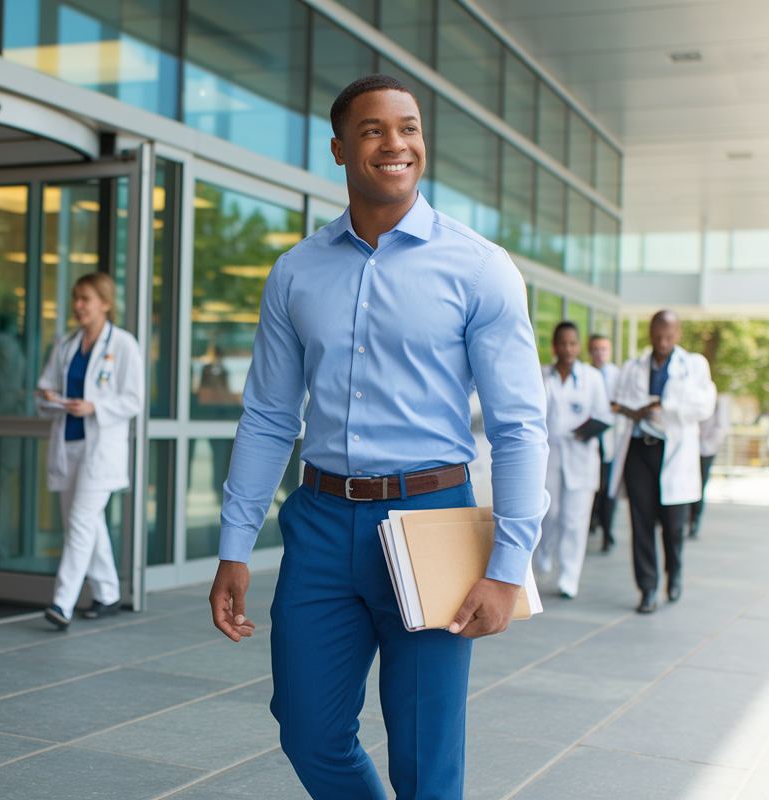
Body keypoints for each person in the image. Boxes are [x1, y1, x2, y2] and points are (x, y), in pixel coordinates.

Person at [209, 74, 548, 800]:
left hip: (433, 523)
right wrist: (235, 543)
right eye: (373, 130)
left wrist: (509, 563)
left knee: (426, 756)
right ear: (339, 148)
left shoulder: (479, 268)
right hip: (322, 523)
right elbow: (269, 416)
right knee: (307, 730)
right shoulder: (295, 272)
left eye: (410, 127)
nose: (396, 143)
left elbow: (519, 425)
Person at [35, 273, 142, 630]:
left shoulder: (124, 344)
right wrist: (52, 400)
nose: (78, 306)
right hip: (69, 444)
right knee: (85, 522)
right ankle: (108, 593)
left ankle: (61, 604)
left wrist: (94, 406)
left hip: (102, 448)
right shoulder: (66, 344)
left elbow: (134, 400)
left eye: (86, 299)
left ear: (106, 303)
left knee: (80, 522)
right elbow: (44, 389)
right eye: (76, 298)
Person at [610, 310, 716, 614]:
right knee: (641, 523)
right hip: (638, 450)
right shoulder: (633, 366)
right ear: (650, 333)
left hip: (673, 451)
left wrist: (662, 405)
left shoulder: (694, 365)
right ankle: (647, 589)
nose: (663, 341)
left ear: (678, 333)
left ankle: (675, 573)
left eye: (669, 335)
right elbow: (617, 398)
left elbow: (703, 405)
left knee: (673, 525)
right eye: (658, 335)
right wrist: (630, 410)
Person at [534, 322, 613, 599]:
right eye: (562, 343)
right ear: (554, 347)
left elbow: (604, 415)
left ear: (578, 347)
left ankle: (569, 576)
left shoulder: (592, 378)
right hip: (549, 456)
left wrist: (586, 430)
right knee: (547, 514)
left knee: (574, 520)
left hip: (580, 456)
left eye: (572, 343)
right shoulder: (542, 376)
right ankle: (542, 556)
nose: (568, 349)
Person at [588, 333, 620, 551]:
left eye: (604, 349)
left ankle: (607, 533)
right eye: (596, 349)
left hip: (609, 439)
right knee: (590, 486)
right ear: (590, 352)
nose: (600, 353)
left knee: (608, 489)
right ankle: (591, 523)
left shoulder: (618, 376)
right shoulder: (584, 374)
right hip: (589, 438)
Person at [690, 394, 731, 536]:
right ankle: (684, 519)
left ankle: (694, 520)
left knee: (699, 485)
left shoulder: (718, 400)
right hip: (687, 448)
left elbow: (722, 426)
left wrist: (708, 445)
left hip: (704, 449)